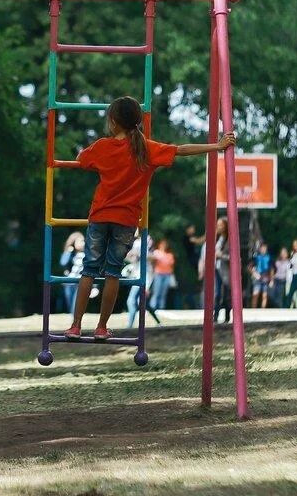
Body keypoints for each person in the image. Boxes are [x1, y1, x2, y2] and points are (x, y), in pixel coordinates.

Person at [64, 95, 235, 341]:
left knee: (89, 271)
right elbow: (182, 150)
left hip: (100, 216)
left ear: (113, 121)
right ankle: (101, 327)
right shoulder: (146, 149)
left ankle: (75, 325)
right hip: (126, 220)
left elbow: (82, 159)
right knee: (113, 273)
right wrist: (217, 147)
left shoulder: (102, 147)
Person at [199, 218, 233, 324]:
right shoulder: (216, 238)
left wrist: (221, 255)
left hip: (226, 270)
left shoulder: (230, 239)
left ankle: (227, 317)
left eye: (221, 225)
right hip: (216, 269)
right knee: (217, 293)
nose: (218, 227)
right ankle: (215, 316)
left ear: (226, 226)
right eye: (217, 225)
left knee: (227, 294)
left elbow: (234, 256)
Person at [148, 238, 176, 312]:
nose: (164, 245)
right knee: (156, 292)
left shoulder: (170, 255)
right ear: (160, 244)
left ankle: (161, 309)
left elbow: (171, 266)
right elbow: (152, 261)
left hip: (167, 275)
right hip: (158, 274)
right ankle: (153, 308)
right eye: (163, 244)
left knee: (163, 293)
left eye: (165, 244)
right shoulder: (156, 252)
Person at [251, 241, 273, 309]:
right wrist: (254, 273)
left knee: (264, 295)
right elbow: (250, 266)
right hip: (258, 276)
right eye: (262, 248)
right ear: (260, 249)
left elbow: (272, 269)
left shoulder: (269, 257)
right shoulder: (256, 257)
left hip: (266, 276)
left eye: (264, 248)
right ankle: (253, 309)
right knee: (255, 294)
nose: (263, 249)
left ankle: (262, 310)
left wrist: (271, 279)